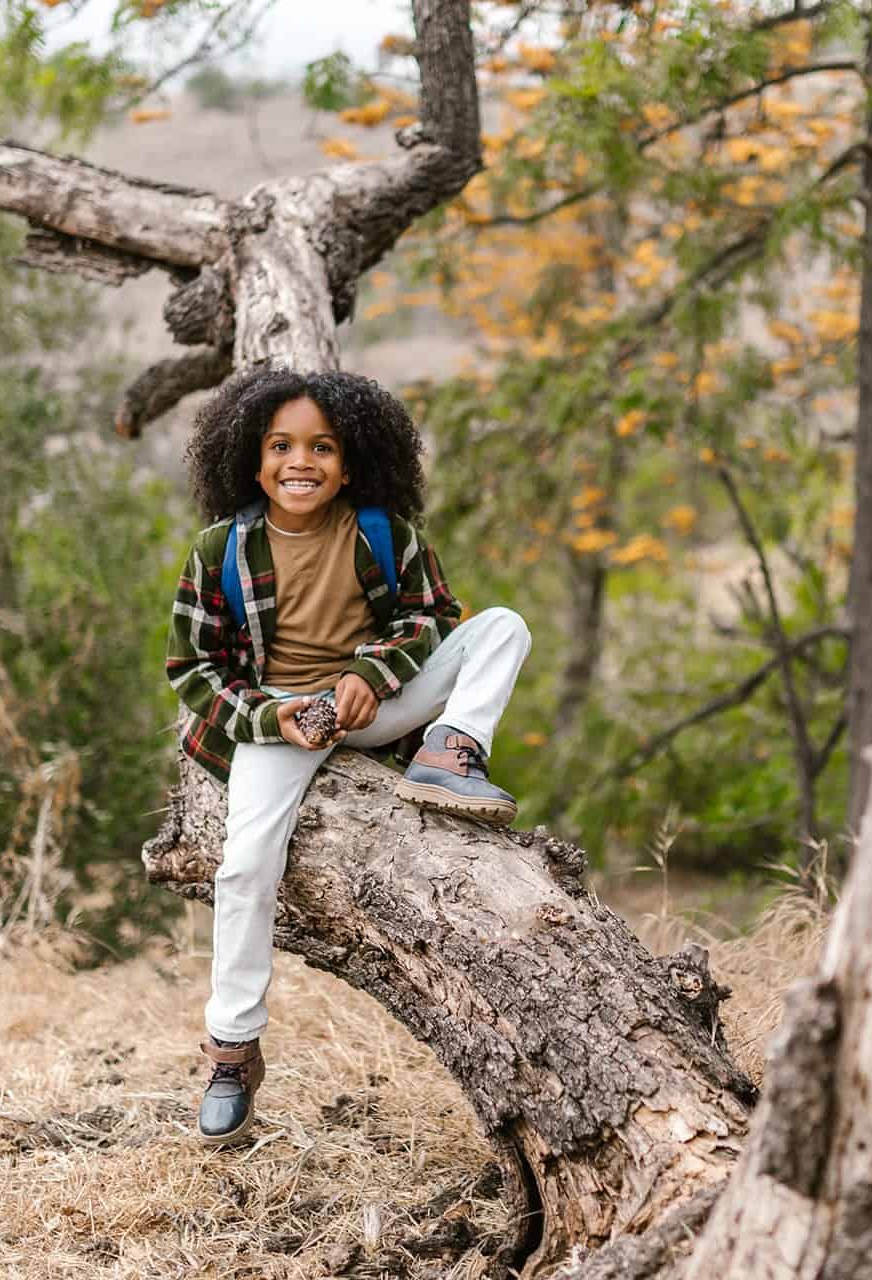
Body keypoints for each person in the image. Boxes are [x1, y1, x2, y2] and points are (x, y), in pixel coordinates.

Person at [165, 367, 532, 1147]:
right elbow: (193, 668)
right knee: (246, 866)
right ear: (250, 459)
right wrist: (270, 716)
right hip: (284, 719)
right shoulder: (221, 550)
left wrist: (372, 672)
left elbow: (431, 617)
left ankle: (450, 752)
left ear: (352, 463)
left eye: (322, 448)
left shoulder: (382, 534)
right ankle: (232, 1048)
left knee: (502, 626)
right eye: (280, 446)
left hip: (370, 703)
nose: (301, 462)